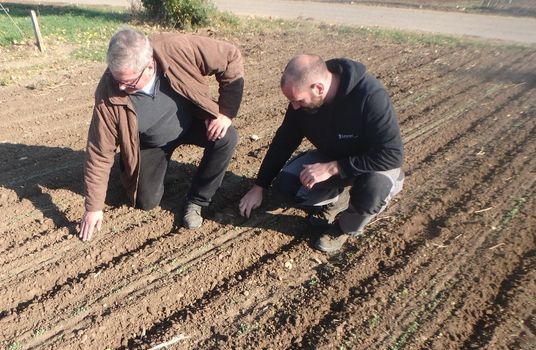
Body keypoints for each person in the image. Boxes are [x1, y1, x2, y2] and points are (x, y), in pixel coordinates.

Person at [78, 28, 244, 241]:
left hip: (192, 120)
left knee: (226, 137)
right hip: (150, 142)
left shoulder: (175, 48)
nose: (120, 86)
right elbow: (99, 152)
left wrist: (226, 113)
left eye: (128, 82)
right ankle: (129, 160)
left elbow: (231, 57)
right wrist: (93, 208)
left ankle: (197, 201)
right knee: (145, 202)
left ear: (149, 65)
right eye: (116, 77)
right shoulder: (108, 93)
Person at [239, 54, 404, 253]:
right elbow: (284, 141)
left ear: (318, 88)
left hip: (373, 166)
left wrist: (335, 167)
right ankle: (338, 200)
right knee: (286, 188)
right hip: (333, 157)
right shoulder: (300, 102)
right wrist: (260, 185)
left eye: (298, 100)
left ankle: (343, 228)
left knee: (372, 191)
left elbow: (392, 154)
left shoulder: (370, 96)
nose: (294, 107)